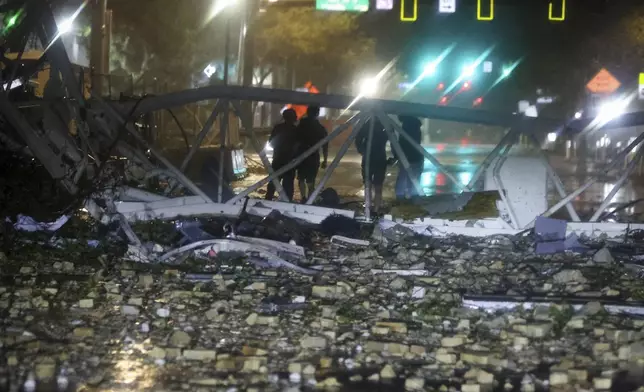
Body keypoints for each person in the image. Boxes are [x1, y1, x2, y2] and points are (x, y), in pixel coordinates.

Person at [294, 106, 328, 202]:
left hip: (301, 155)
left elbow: (295, 141)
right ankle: (309, 199)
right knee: (311, 180)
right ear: (317, 114)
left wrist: (293, 156)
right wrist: (325, 159)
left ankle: (303, 198)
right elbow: (325, 145)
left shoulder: (301, 126)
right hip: (313, 157)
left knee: (301, 178)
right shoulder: (320, 128)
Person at [355, 118, 389, 212]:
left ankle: (368, 208)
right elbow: (392, 139)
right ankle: (375, 209)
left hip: (368, 158)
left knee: (368, 185)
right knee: (377, 186)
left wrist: (361, 150)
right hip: (380, 158)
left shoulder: (367, 125)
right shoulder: (384, 125)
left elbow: (358, 138)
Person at [265, 108, 297, 201]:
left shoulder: (277, 128)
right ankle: (287, 203)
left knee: (273, 183)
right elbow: (298, 146)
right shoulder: (296, 130)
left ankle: (268, 200)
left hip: (277, 159)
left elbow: (271, 142)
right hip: (290, 162)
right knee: (288, 186)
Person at [395, 115, 424, 199]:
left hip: (406, 156)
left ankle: (401, 200)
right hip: (415, 157)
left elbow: (402, 143)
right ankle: (413, 200)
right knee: (413, 181)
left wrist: (397, 155)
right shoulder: (416, 127)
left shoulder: (406, 126)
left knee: (402, 179)